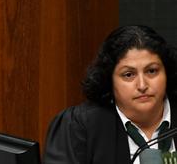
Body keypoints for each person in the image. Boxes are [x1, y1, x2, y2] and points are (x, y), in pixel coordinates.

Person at [44, 25, 177, 164]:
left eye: (152, 71)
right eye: (128, 74)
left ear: (166, 72)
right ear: (110, 80)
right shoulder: (80, 127)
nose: (142, 85)